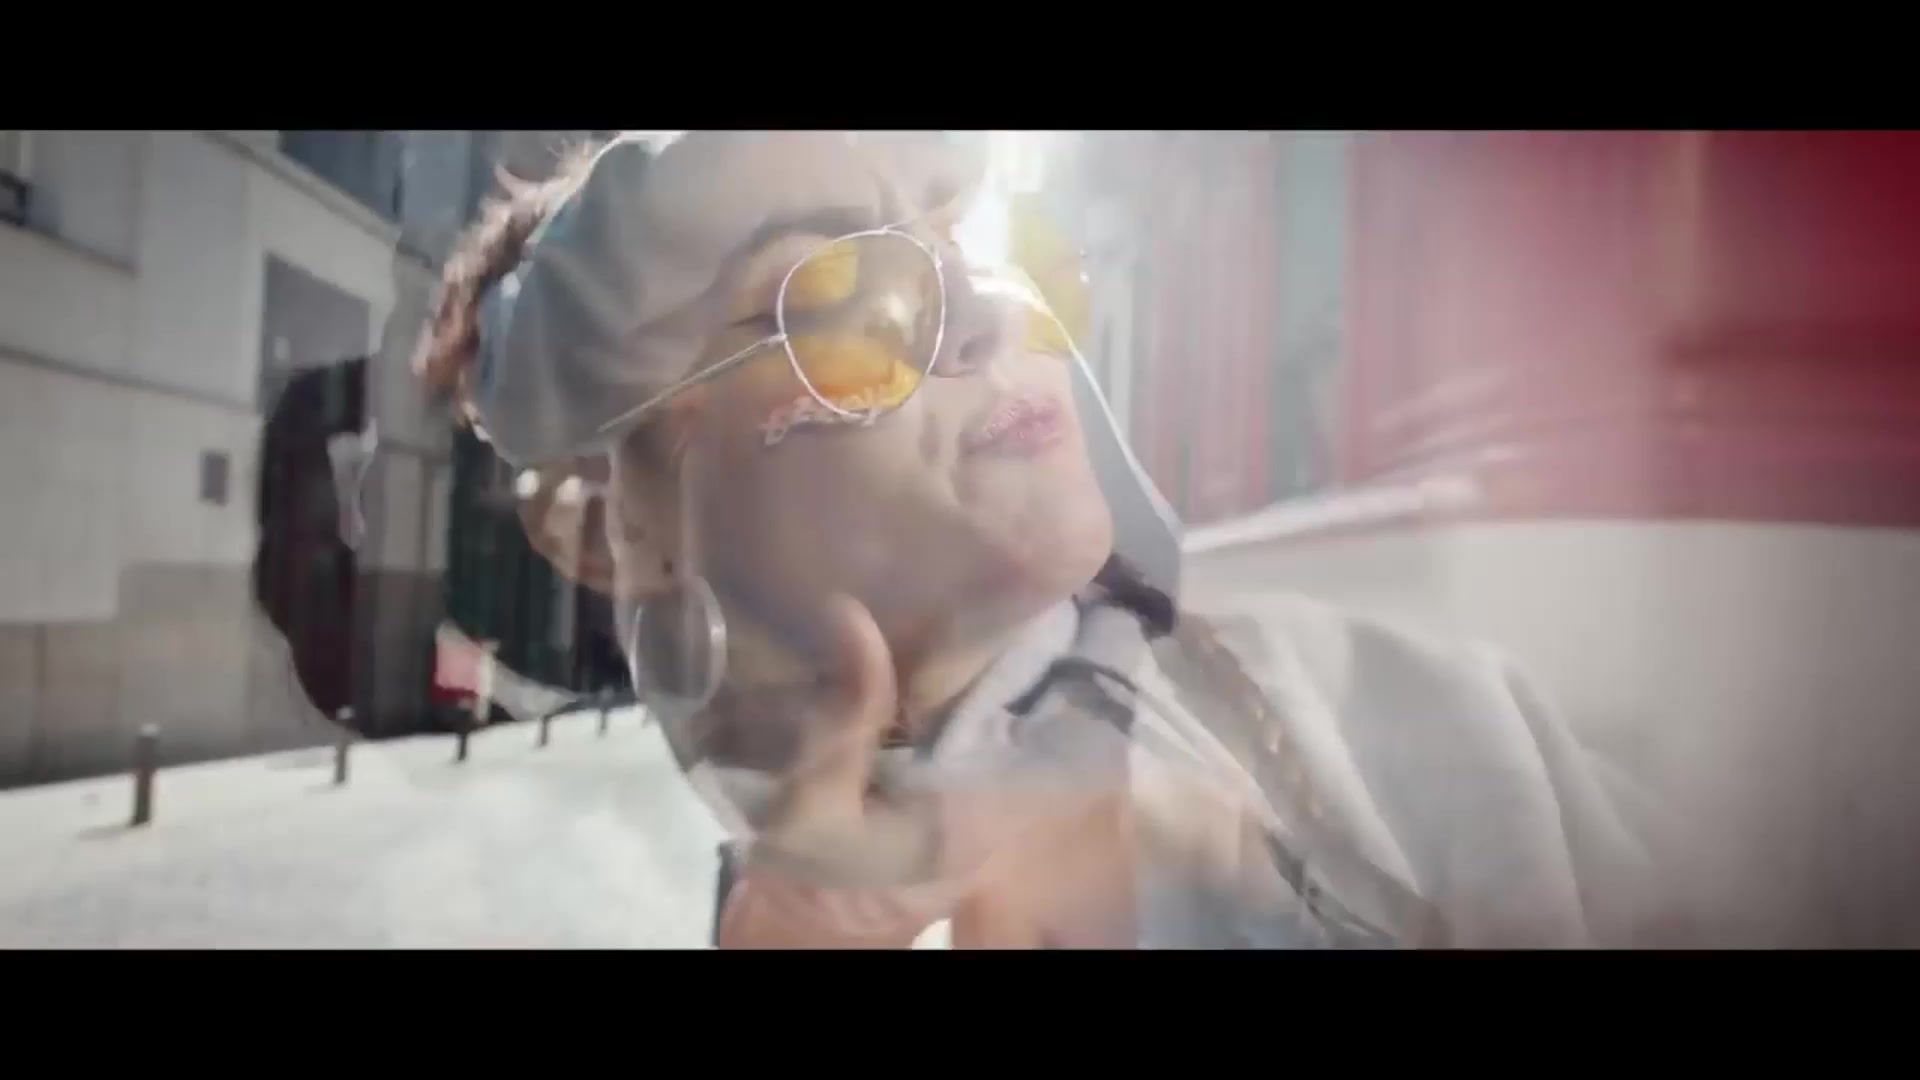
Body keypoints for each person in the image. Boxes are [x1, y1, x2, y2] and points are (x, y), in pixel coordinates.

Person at [412, 131, 1662, 948]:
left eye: (961, 249)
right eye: (850, 297)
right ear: (632, 525)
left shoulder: (1423, 716)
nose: (982, 319)